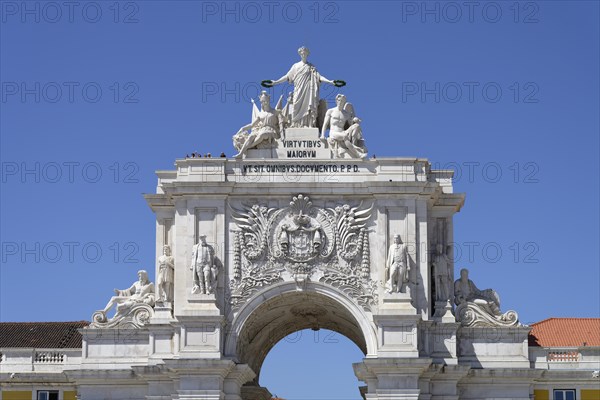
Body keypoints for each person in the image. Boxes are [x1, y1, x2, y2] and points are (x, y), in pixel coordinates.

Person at [267, 46, 337, 128]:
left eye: (305, 53)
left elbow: (319, 77)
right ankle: (295, 124)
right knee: (296, 105)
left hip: (308, 90)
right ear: (300, 54)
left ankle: (309, 124)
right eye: (302, 53)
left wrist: (330, 81)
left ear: (307, 54)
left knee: (309, 106)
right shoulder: (296, 66)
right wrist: (276, 82)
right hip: (298, 89)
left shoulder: (311, 67)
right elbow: (287, 76)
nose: (303, 54)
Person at [233, 91, 284, 158]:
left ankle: (249, 147)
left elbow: (282, 121)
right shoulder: (260, 114)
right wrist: (243, 128)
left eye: (265, 100)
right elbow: (252, 125)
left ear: (268, 99)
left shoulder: (275, 112)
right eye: (263, 101)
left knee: (263, 134)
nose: (265, 103)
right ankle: (241, 153)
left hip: (271, 131)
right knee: (251, 136)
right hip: (262, 130)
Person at [321, 94, 368, 159]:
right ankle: (357, 153)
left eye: (342, 101)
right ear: (336, 101)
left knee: (356, 126)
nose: (340, 102)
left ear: (344, 102)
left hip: (343, 131)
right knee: (344, 136)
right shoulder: (331, 111)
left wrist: (355, 120)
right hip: (333, 133)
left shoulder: (346, 114)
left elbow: (350, 124)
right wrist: (322, 135)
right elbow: (325, 124)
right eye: (339, 100)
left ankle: (354, 144)